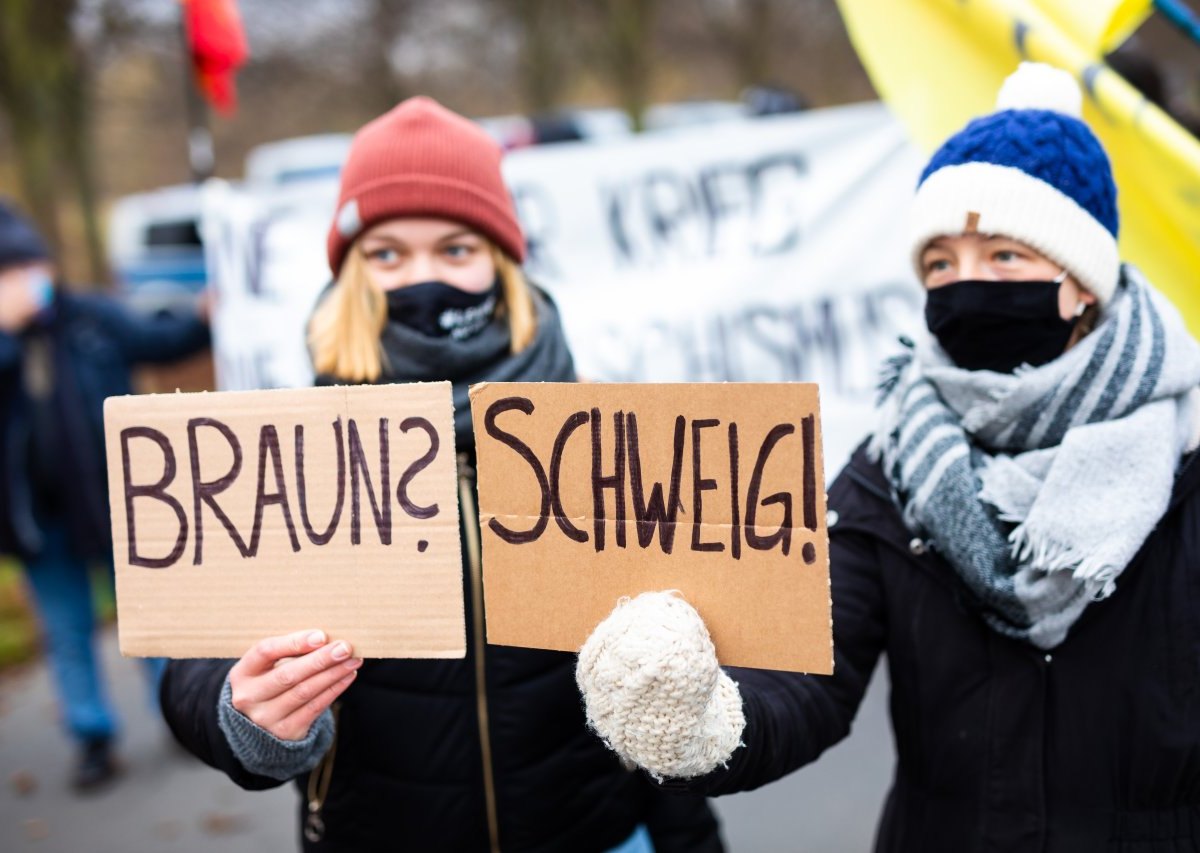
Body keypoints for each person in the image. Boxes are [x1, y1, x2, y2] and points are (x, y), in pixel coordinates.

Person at [575, 63, 1200, 852]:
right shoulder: (891, 465)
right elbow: (806, 677)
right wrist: (700, 717)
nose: (967, 283)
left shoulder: (1189, 451)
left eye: (1005, 256)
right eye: (941, 263)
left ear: (1082, 282)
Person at [159, 96, 723, 853]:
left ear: (501, 260)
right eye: (388, 254)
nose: (422, 276)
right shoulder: (293, 441)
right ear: (353, 270)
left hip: (600, 827)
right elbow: (195, 650)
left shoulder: (594, 422)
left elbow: (681, 637)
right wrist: (245, 710)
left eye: (456, 249)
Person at [0, 201, 210, 790]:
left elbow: (159, 341)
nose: (18, 284)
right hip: (37, 523)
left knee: (148, 620)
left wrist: (205, 316)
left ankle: (178, 714)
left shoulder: (90, 316)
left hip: (119, 506)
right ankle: (92, 737)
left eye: (23, 269)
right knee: (67, 632)